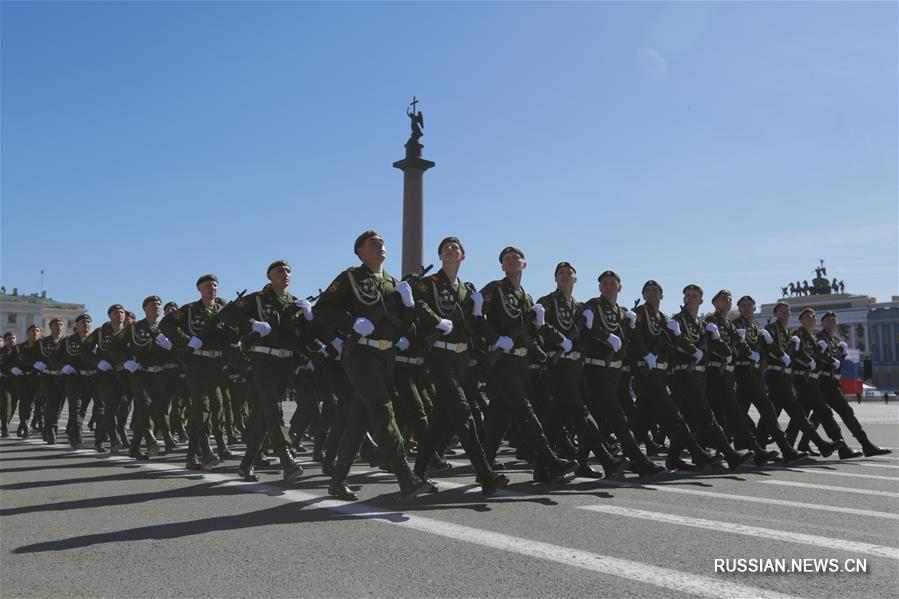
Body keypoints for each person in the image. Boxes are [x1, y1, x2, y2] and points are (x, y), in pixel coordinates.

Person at [314, 232, 434, 500]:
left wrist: (409, 304)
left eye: (381, 242)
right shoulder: (351, 278)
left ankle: (337, 480)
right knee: (382, 409)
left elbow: (409, 326)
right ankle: (406, 477)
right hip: (361, 354)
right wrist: (351, 324)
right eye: (372, 243)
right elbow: (323, 310)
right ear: (360, 252)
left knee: (359, 418)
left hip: (386, 357)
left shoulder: (393, 284)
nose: (380, 245)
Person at [411, 236, 512, 495]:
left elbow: (474, 326)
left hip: (462, 358)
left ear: (463, 257)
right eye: (446, 248)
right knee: (463, 411)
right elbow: (417, 305)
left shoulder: (468, 289)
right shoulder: (429, 283)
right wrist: (436, 321)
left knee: (441, 419)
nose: (451, 250)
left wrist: (478, 315)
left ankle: (417, 472)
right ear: (440, 256)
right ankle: (484, 473)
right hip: (440, 356)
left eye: (455, 248)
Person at [220, 261, 312, 483]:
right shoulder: (257, 298)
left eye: (288, 271)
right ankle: (286, 458)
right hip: (263, 359)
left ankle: (246, 463)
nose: (285, 274)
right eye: (280, 271)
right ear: (269, 276)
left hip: (286, 363)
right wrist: (252, 323)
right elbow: (227, 314)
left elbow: (304, 335)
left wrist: (309, 317)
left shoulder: (295, 302)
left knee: (264, 412)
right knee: (273, 407)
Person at [630, 280, 723, 471]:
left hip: (661, 372)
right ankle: (697, 453)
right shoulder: (641, 312)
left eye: (655, 290)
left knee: (642, 418)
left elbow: (672, 346)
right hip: (646, 371)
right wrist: (646, 354)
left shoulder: (664, 318)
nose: (651, 293)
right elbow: (636, 336)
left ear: (662, 295)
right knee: (673, 416)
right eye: (647, 290)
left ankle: (636, 458)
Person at [580, 271, 666, 476]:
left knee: (599, 419)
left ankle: (581, 462)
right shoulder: (592, 306)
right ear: (600, 287)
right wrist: (603, 334)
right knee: (617, 416)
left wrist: (646, 354)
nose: (608, 286)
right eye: (605, 283)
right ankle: (639, 460)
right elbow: (584, 331)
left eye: (612, 283)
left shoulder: (623, 312)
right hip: (596, 369)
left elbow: (631, 340)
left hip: (615, 373)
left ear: (619, 288)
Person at [667, 285, 754, 470]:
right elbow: (678, 343)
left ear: (701, 300)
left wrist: (719, 338)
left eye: (694, 295)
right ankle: (730, 455)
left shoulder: (701, 324)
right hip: (684, 374)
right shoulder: (678, 320)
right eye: (687, 295)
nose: (689, 298)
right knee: (706, 416)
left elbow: (722, 351)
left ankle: (674, 457)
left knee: (688, 417)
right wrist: (690, 347)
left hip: (699, 376)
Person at [161, 274, 237, 469]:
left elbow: (232, 331)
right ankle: (205, 448)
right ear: (199, 289)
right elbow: (166, 324)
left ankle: (191, 455)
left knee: (218, 406)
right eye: (207, 285)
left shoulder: (223, 310)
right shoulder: (189, 310)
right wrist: (187, 339)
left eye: (214, 285)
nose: (211, 288)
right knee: (202, 405)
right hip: (197, 363)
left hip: (217, 364)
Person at [730, 295, 807, 463]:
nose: (746, 308)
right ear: (739, 308)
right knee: (767, 409)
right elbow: (736, 346)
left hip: (755, 374)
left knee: (738, 413)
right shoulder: (736, 324)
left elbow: (765, 351)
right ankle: (785, 449)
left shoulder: (757, 327)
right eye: (743, 305)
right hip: (742, 371)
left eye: (749, 305)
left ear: (754, 308)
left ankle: (745, 448)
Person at [762, 303, 842, 457]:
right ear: (776, 313)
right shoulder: (775, 329)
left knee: (772, 413)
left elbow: (800, 355)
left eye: (787, 310)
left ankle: (764, 447)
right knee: (798, 412)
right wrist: (787, 356)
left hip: (786, 377)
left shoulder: (789, 332)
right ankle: (819, 445)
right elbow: (774, 349)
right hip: (779, 376)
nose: (785, 312)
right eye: (781, 310)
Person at [812, 311, 890, 457]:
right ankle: (863, 445)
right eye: (828, 320)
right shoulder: (819, 338)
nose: (831, 322)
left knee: (820, 416)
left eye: (833, 320)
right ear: (822, 323)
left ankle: (806, 444)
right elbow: (819, 358)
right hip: (823, 382)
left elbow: (839, 363)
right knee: (844, 413)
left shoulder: (835, 341)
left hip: (833, 381)